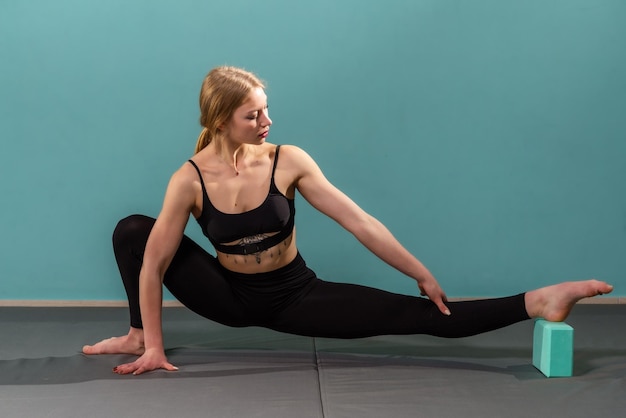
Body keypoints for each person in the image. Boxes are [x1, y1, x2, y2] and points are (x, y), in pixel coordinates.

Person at [83, 66, 613, 375]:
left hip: (293, 295)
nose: (268, 121)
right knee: (133, 229)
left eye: (266, 110)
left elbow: (359, 222)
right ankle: (133, 336)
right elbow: (153, 265)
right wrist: (152, 343)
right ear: (221, 120)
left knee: (418, 315)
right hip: (226, 296)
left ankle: (537, 300)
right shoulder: (189, 179)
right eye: (253, 115)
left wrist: (419, 272)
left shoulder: (288, 160)